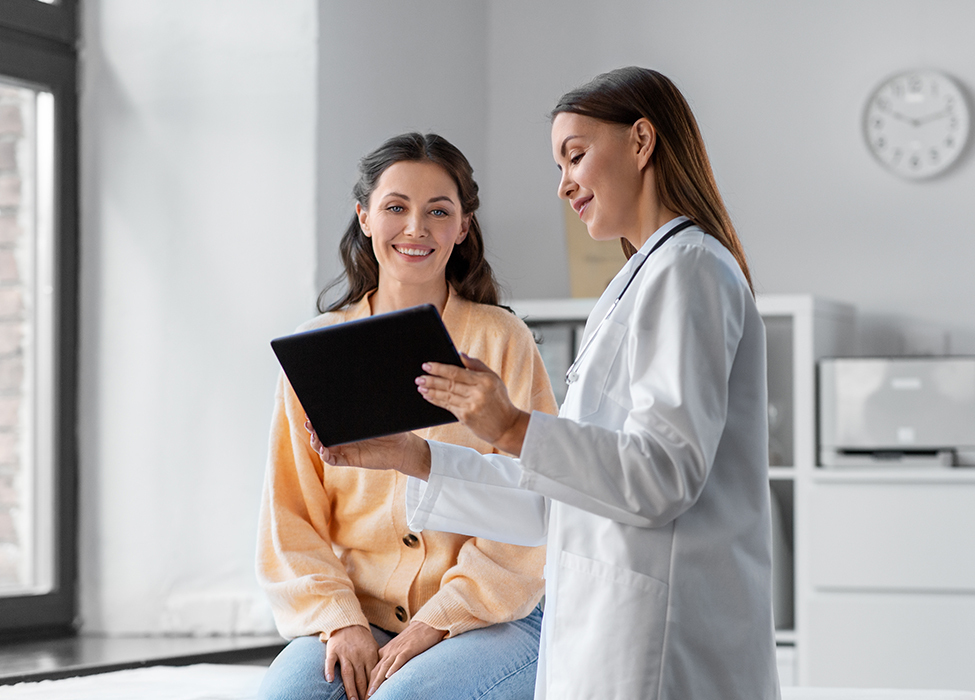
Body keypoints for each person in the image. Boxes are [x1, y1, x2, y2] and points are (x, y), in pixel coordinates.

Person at [312, 68, 781, 699]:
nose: (563, 185)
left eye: (576, 156)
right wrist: (412, 457)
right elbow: (558, 500)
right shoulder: (637, 283)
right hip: (607, 627)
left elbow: (663, 478)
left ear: (641, 142)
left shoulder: (690, 271)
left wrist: (510, 426)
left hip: (661, 642)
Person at [257, 132, 558, 700]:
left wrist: (435, 621)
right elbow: (290, 515)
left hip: (494, 616)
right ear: (365, 217)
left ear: (463, 227)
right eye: (396, 207)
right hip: (356, 612)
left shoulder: (502, 340)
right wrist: (341, 618)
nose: (416, 228)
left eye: (438, 211)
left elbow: (535, 507)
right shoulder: (316, 350)